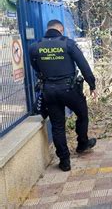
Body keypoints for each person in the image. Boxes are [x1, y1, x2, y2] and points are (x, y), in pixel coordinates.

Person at [29, 19, 97, 171]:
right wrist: (92, 85)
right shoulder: (68, 44)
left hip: (49, 91)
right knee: (82, 114)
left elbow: (35, 67)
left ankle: (64, 161)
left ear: (48, 29)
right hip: (70, 89)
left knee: (58, 125)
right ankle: (82, 144)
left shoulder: (35, 47)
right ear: (60, 29)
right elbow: (83, 65)